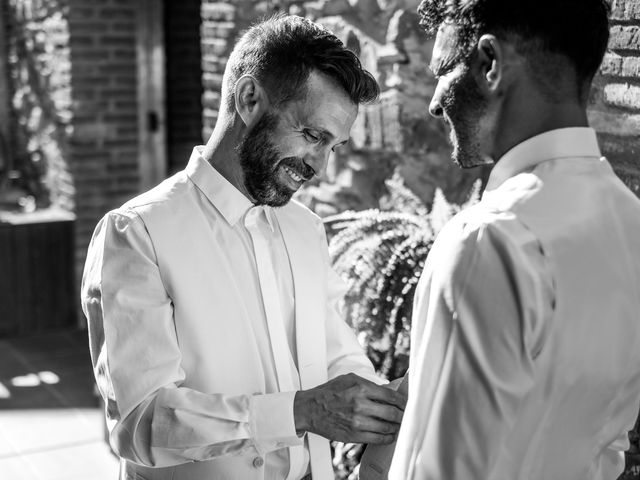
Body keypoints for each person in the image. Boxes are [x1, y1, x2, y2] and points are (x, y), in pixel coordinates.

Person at [82, 14, 405, 480]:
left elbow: (333, 353)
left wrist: (386, 399)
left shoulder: (305, 228)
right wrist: (298, 413)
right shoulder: (137, 233)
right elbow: (140, 423)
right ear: (250, 99)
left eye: (332, 147)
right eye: (313, 136)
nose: (320, 167)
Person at [389, 1, 640, 479]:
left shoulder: (490, 240)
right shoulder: (631, 225)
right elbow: (608, 449)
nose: (435, 101)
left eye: (444, 70)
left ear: (490, 64)